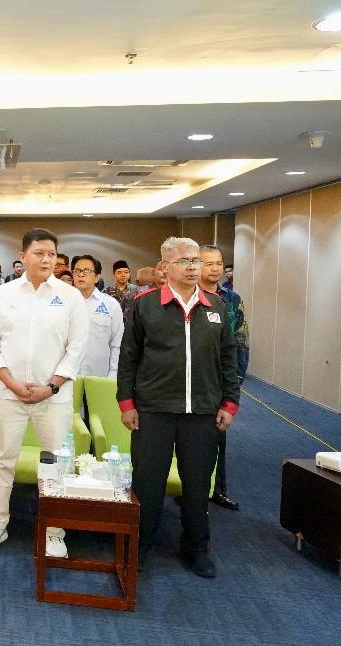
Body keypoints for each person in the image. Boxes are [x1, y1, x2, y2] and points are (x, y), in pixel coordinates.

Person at [117, 237, 239, 578]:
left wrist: (230, 402)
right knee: (148, 483)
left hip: (202, 412)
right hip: (153, 410)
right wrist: (126, 403)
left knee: (198, 486)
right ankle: (141, 546)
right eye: (184, 261)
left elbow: (228, 358)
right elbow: (128, 358)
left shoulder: (216, 306)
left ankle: (196, 547)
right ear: (165, 266)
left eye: (196, 260)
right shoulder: (145, 305)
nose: (192, 267)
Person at [0, 228, 88, 557]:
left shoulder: (70, 297)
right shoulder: (3, 294)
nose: (46, 259)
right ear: (23, 256)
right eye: (39, 253)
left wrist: (51, 386)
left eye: (52, 254)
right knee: (1, 460)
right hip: (8, 393)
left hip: (53, 397)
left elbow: (76, 349)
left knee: (57, 462)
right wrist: (12, 384)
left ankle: (54, 529)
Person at [199, 245, 249, 511]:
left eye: (218, 263)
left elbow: (241, 338)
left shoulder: (232, 299)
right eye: (209, 263)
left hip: (222, 378)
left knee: (219, 436)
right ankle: (189, 489)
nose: (215, 268)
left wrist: (237, 377)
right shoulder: (190, 296)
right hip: (194, 378)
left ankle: (218, 489)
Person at [71, 255, 123, 378]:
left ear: (97, 277)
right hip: (67, 377)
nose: (81, 274)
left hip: (100, 376)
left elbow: (117, 344)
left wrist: (113, 374)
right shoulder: (65, 303)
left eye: (86, 271)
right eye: (77, 271)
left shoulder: (110, 304)